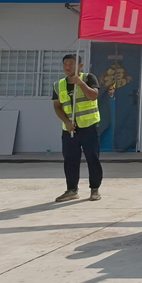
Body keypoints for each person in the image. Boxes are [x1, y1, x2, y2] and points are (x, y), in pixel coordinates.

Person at [52, 54, 102, 202]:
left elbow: (93, 96)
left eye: (71, 64)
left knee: (92, 158)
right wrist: (66, 122)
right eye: (65, 64)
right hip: (70, 129)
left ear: (80, 66)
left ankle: (95, 189)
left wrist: (80, 83)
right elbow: (57, 106)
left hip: (89, 126)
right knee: (70, 160)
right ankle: (71, 190)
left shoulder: (88, 78)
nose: (67, 67)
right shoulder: (58, 85)